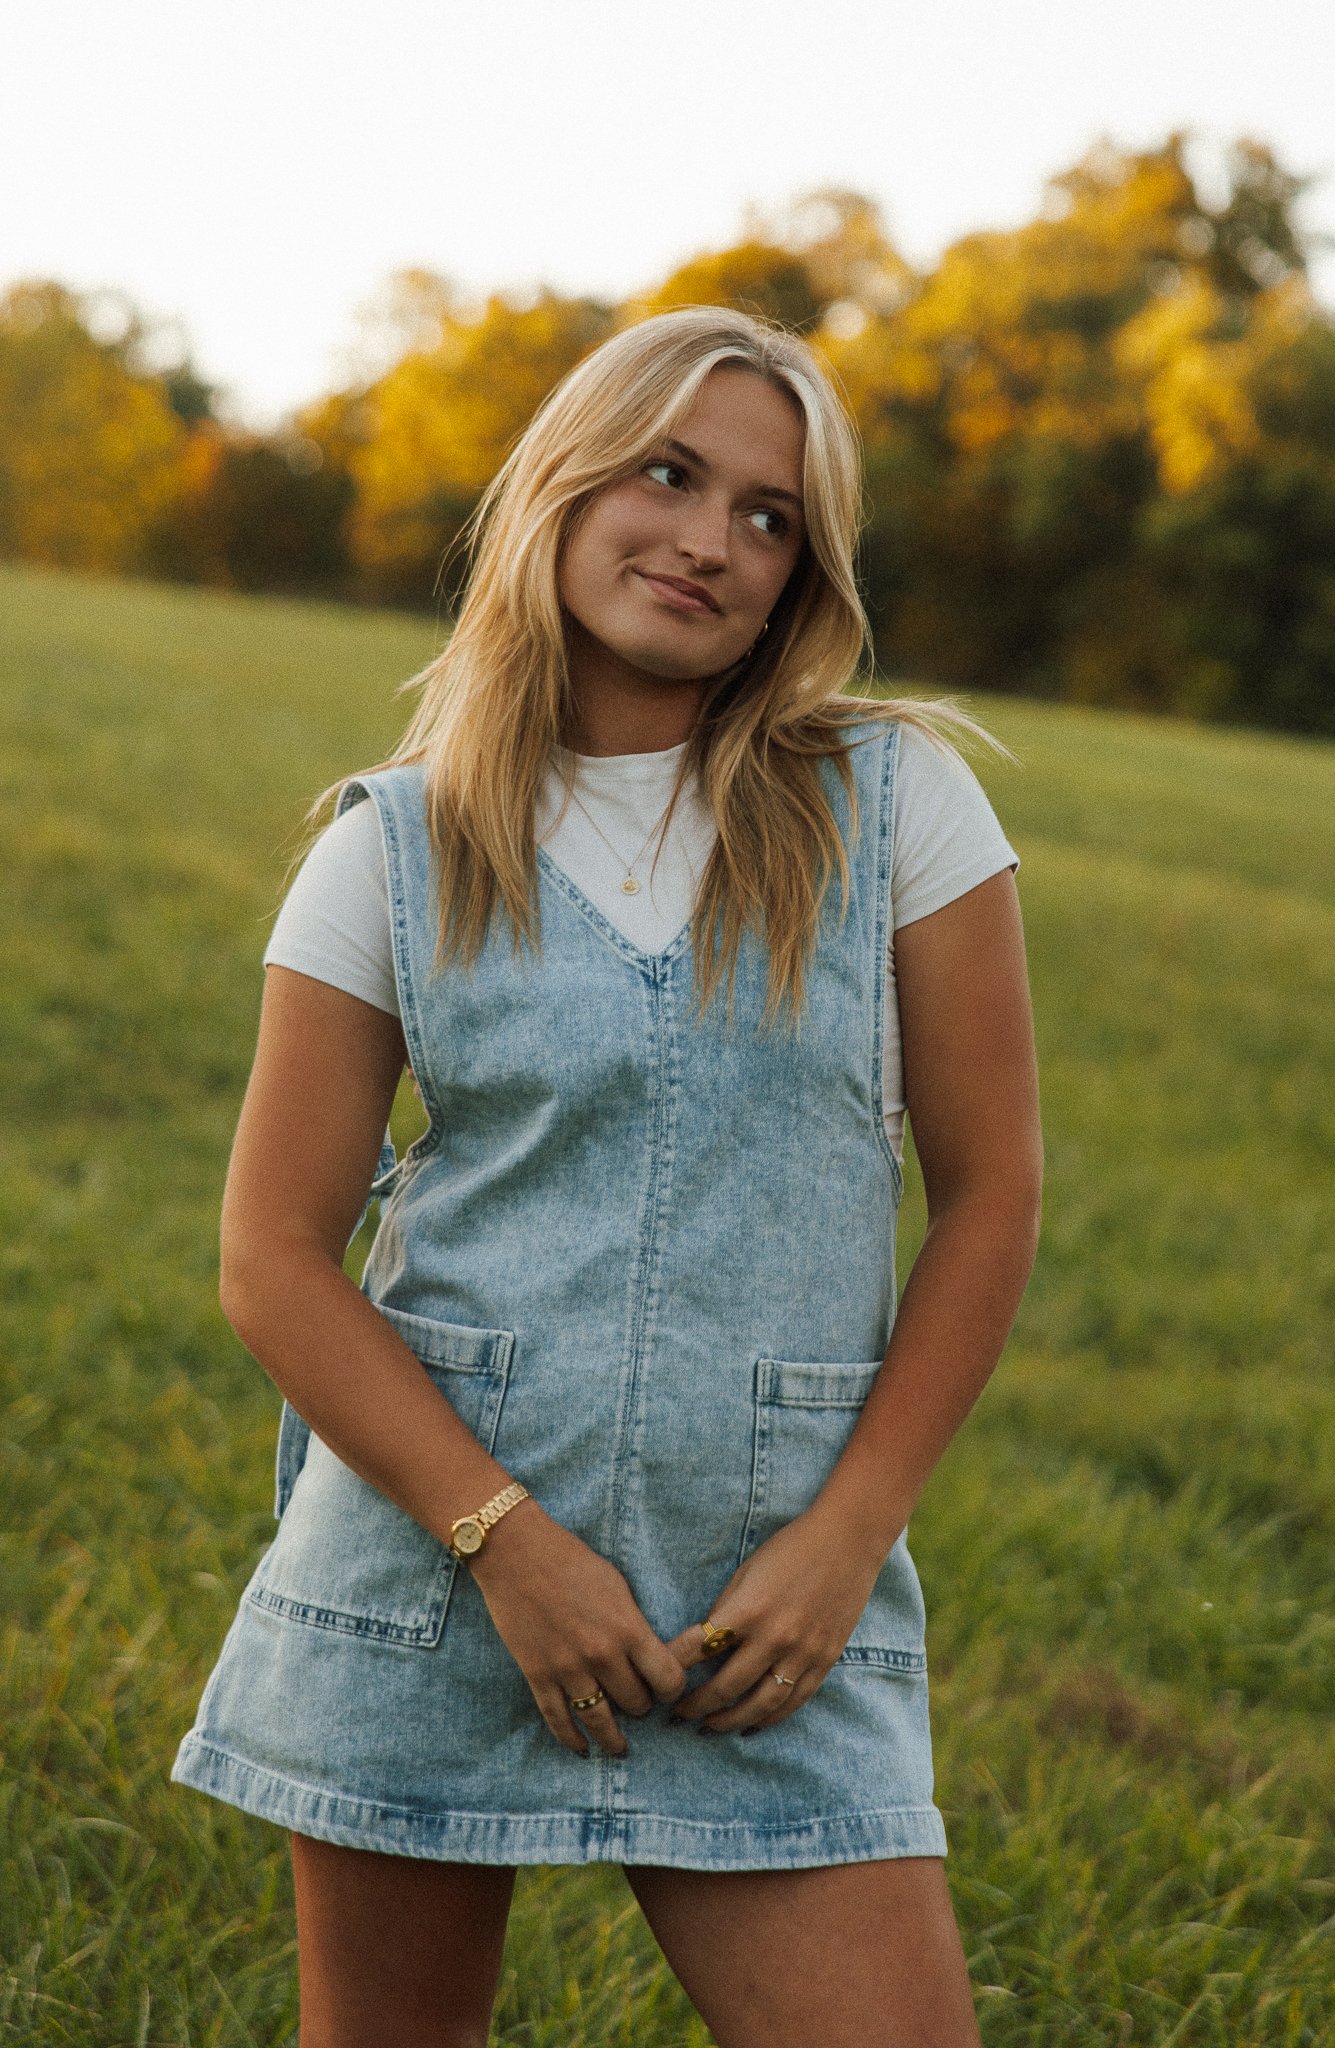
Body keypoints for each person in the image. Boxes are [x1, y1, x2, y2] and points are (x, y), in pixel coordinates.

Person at [172, 303, 1043, 2047]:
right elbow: (271, 1256)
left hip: (765, 1618)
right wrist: (505, 1548)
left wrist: (846, 1532)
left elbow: (994, 1193)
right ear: (564, 486)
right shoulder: (390, 848)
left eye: (768, 515)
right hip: (432, 1588)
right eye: (668, 474)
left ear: (803, 573)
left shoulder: (896, 808)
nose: (709, 541)